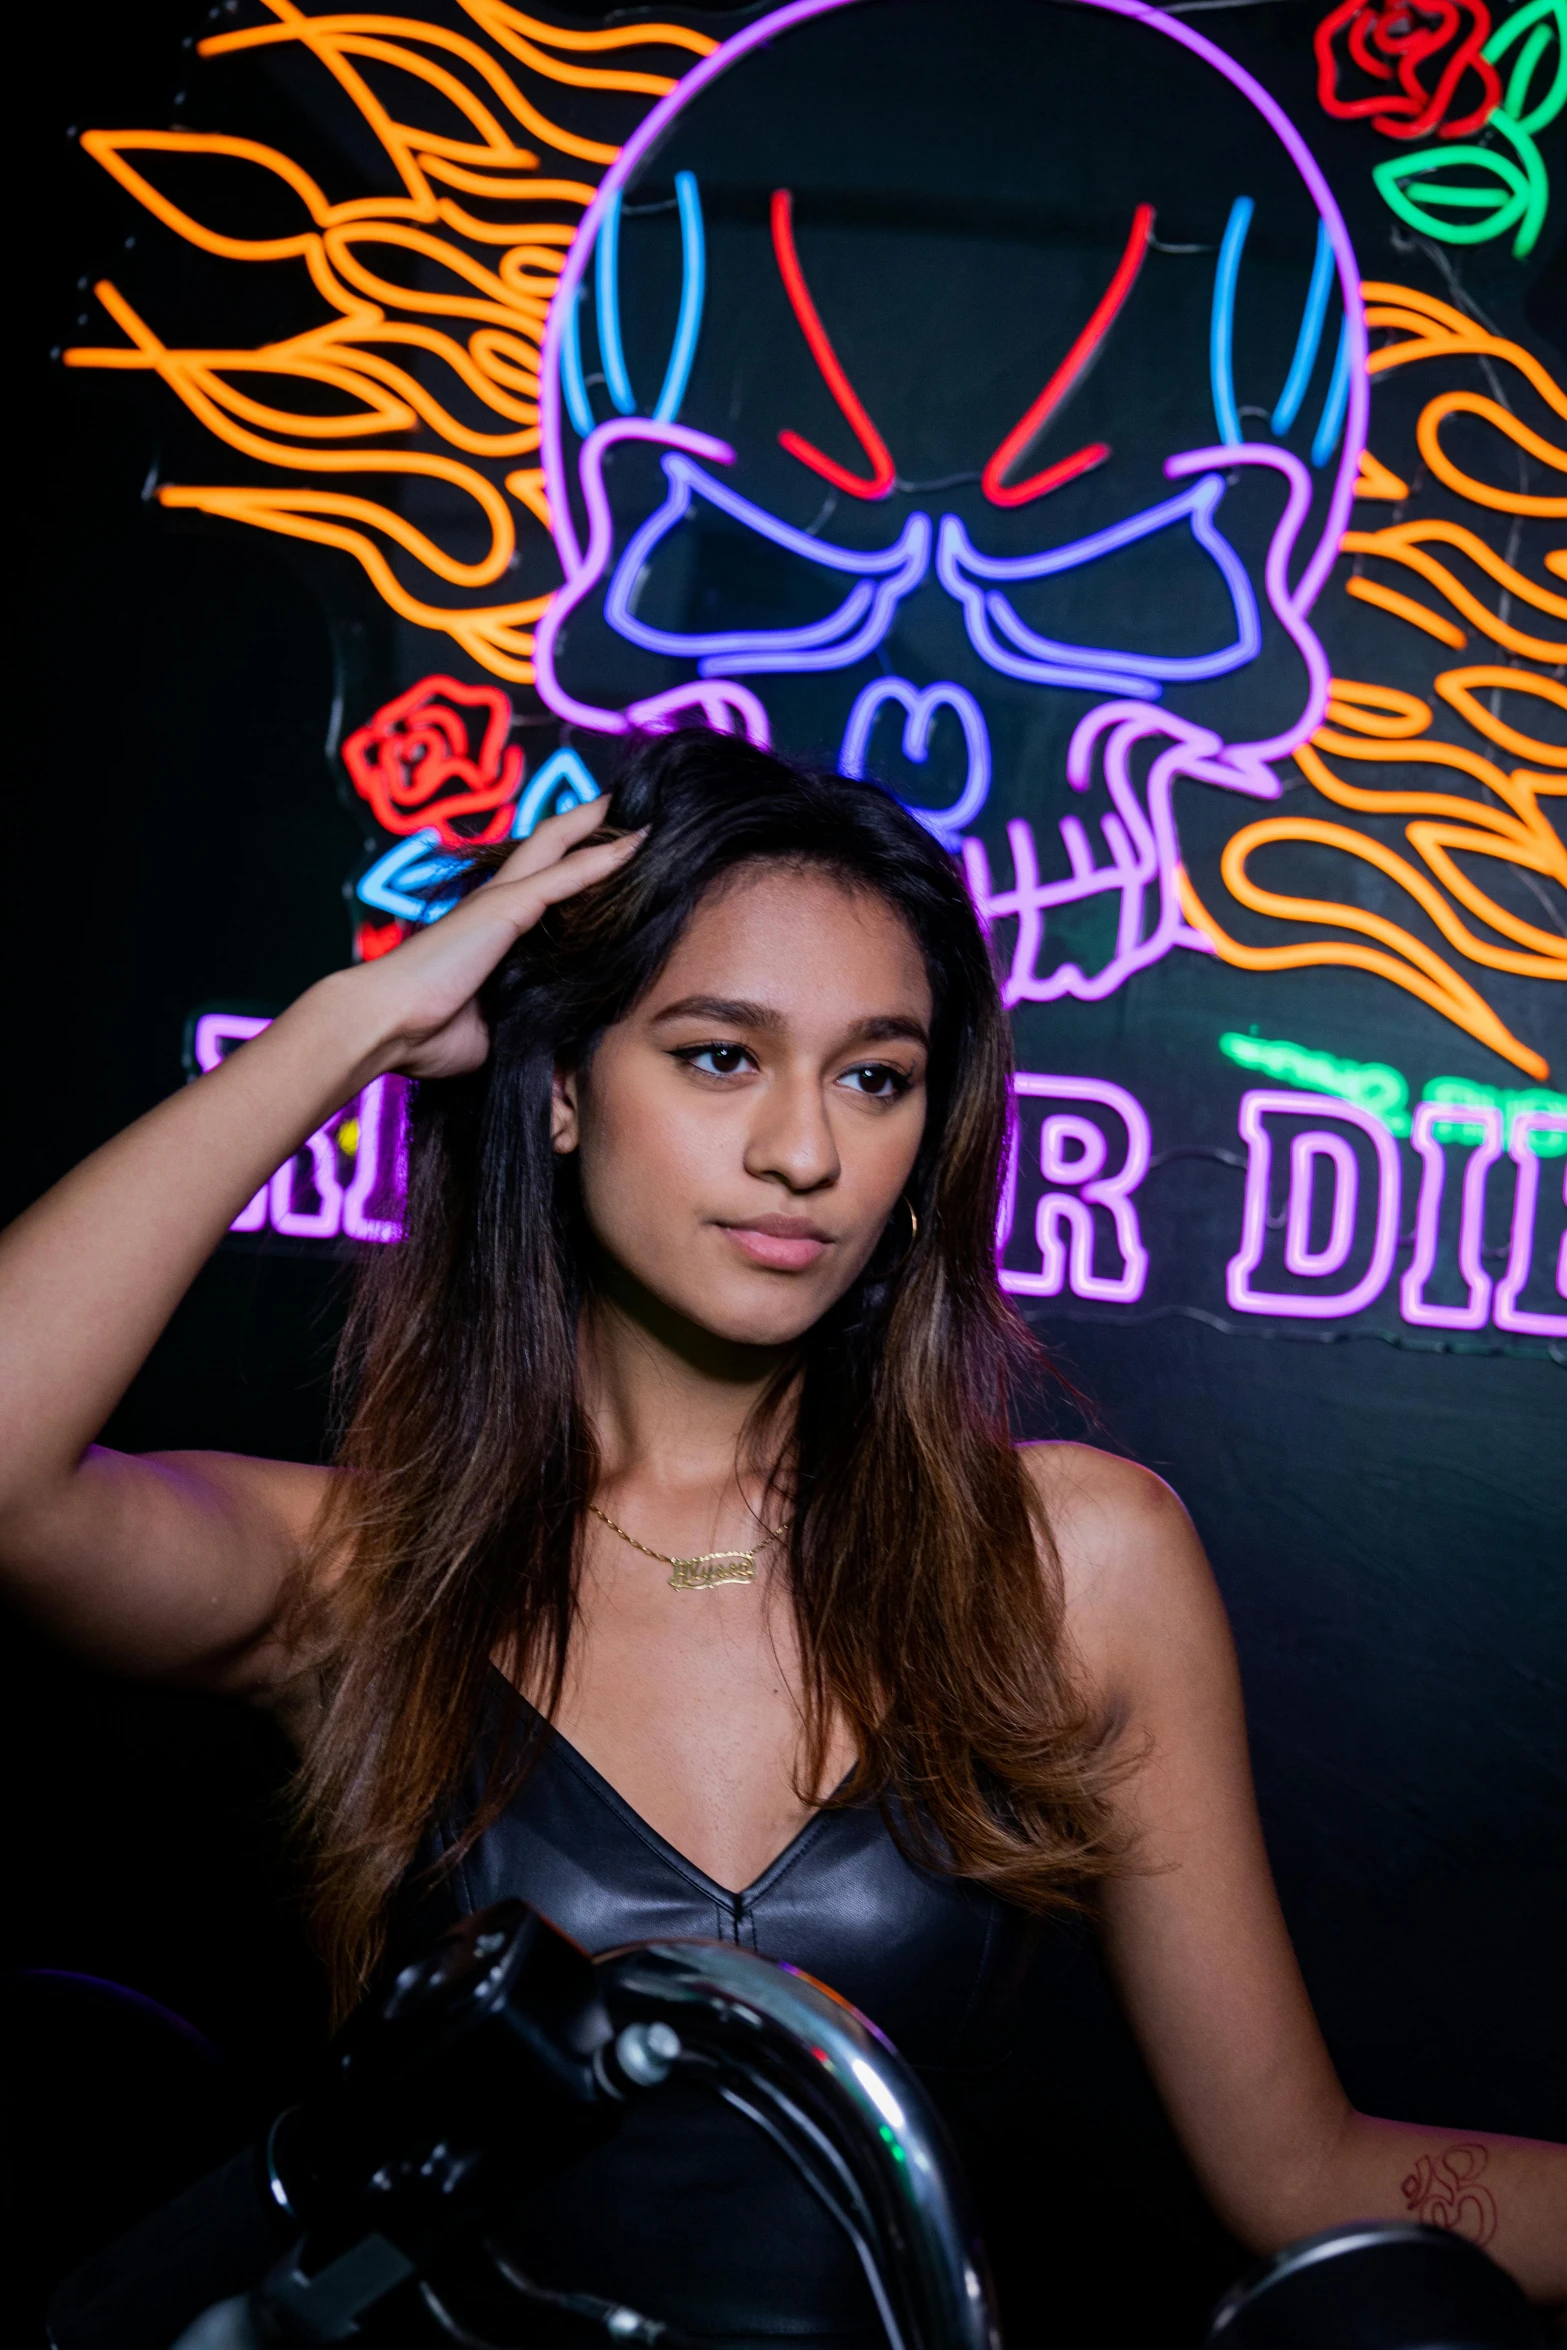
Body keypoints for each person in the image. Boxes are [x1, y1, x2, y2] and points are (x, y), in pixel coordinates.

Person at [0, 730, 1562, 2336]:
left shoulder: (1072, 1564)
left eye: (874, 1075)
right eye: (718, 1055)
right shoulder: (361, 1575)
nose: (805, 1152)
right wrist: (353, 1023)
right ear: (554, 1091)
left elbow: (1300, 2174)